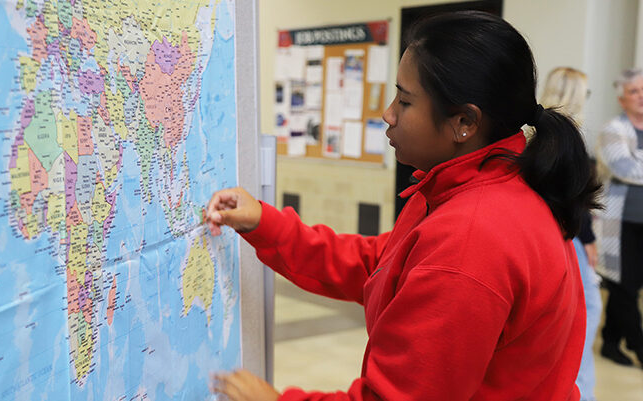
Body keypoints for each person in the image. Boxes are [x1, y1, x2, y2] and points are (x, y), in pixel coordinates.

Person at [209, 11, 602, 401]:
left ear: (464, 121)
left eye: (406, 101)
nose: (388, 114)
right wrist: (264, 224)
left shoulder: (472, 239)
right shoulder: (471, 189)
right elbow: (382, 265)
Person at [540, 67, 602, 400]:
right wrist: (589, 240)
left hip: (549, 234)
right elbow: (575, 199)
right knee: (585, 314)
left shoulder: (535, 135)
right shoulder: (568, 138)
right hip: (567, 237)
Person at [595, 68, 643, 368]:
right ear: (621, 99)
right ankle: (640, 346)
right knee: (624, 284)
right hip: (621, 219)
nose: (641, 97)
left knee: (631, 283)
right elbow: (624, 168)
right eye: (634, 92)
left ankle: (610, 343)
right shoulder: (613, 129)